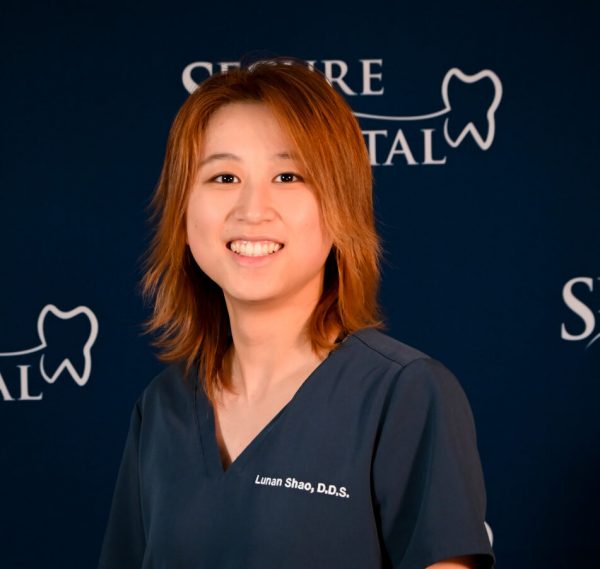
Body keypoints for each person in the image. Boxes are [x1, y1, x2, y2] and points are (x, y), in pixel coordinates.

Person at [98, 59, 495, 569]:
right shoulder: (160, 410)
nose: (251, 209)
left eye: (288, 175)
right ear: (183, 209)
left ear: (341, 205)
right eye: (223, 176)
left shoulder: (406, 395)